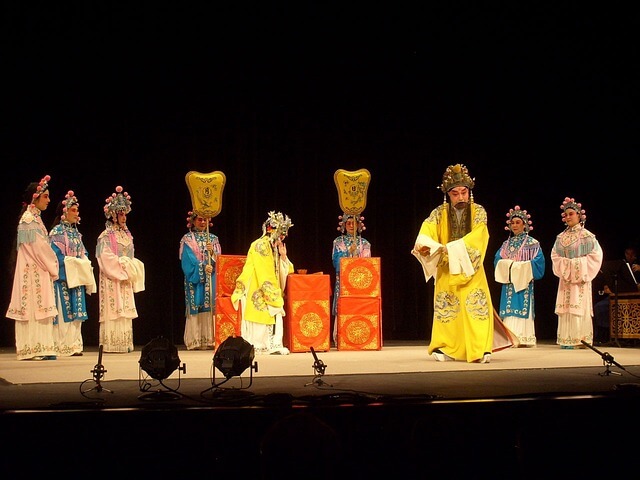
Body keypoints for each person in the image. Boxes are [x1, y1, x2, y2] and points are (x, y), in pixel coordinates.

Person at [411, 164, 494, 363]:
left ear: (469, 192)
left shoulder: (478, 211)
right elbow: (426, 232)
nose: (460, 197)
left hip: (471, 268)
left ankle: (480, 349)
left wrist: (452, 248)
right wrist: (425, 246)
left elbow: (480, 235)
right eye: (455, 194)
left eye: (464, 192)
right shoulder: (438, 213)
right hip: (447, 267)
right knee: (448, 309)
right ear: (448, 194)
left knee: (475, 308)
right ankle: (447, 347)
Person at [6, 175, 59, 360]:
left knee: (39, 307)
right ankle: (31, 348)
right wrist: (54, 264)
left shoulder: (35, 218)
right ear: (35, 198)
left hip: (39, 268)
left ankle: (41, 347)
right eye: (45, 196)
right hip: (32, 270)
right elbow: (40, 248)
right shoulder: (29, 219)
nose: (49, 200)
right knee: (32, 307)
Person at [231, 211, 294, 355]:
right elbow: (264, 272)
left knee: (274, 306)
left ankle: (273, 344)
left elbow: (286, 269)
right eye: (281, 233)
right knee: (267, 305)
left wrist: (283, 256)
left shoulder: (274, 247)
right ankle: (262, 344)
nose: (283, 237)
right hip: (257, 283)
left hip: (267, 283)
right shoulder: (260, 245)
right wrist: (272, 292)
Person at [96, 186, 145, 353]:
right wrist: (122, 265)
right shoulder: (105, 236)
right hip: (112, 277)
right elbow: (104, 257)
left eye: (125, 214)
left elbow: (130, 255)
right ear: (113, 215)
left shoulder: (127, 235)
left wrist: (129, 266)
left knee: (125, 308)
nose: (124, 217)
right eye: (121, 214)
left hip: (125, 276)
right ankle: (112, 343)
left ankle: (125, 342)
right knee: (114, 307)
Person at [551, 197, 603, 348]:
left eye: (571, 214)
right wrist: (566, 265)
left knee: (578, 305)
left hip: (580, 280)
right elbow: (554, 255)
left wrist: (575, 265)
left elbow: (596, 256)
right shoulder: (560, 237)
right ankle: (566, 338)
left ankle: (580, 339)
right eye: (566, 214)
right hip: (565, 280)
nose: (568, 217)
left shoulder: (587, 236)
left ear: (579, 215)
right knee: (565, 306)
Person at [49, 190, 96, 356]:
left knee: (78, 312)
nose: (77, 214)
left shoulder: (76, 234)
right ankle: (62, 345)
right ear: (64, 212)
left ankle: (75, 345)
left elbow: (84, 252)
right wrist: (73, 263)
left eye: (77, 210)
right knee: (64, 312)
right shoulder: (56, 233)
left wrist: (84, 262)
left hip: (77, 276)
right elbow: (54, 256)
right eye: (73, 210)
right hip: (64, 278)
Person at [493, 205, 545, 347]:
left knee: (522, 305)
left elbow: (539, 263)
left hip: (524, 283)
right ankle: (510, 338)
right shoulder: (506, 244)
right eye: (512, 223)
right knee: (509, 309)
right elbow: (497, 260)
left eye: (518, 222)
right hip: (509, 282)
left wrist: (521, 267)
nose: (515, 225)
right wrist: (509, 266)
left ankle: (524, 338)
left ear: (524, 225)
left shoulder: (532, 243)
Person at [179, 211, 221, 350]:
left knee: (209, 305)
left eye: (205, 220)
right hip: (195, 278)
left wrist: (212, 253)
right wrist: (202, 267)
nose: (203, 222)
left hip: (211, 276)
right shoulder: (187, 239)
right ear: (193, 221)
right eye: (200, 220)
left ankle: (209, 339)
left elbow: (220, 259)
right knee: (196, 303)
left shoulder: (213, 239)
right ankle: (195, 340)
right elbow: (188, 259)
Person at [331, 212, 371, 345]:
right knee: (343, 307)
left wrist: (357, 253)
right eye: (348, 223)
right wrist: (348, 252)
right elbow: (336, 262)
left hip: (360, 282)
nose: (351, 226)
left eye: (354, 223)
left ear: (359, 225)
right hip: (343, 282)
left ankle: (361, 337)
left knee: (359, 307)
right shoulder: (338, 242)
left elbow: (368, 265)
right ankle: (340, 338)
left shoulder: (365, 243)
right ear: (343, 225)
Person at [593, 245, 639, 344]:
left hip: (635, 296)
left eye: (632, 255)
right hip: (619, 295)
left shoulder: (637, 266)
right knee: (599, 307)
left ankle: (629, 337)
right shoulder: (621, 265)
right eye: (627, 254)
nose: (630, 256)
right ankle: (604, 336)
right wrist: (609, 287)